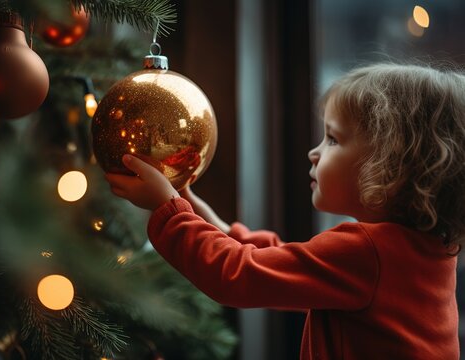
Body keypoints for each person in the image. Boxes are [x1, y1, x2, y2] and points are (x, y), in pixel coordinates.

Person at [105, 63, 465, 359]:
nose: (314, 152)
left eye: (334, 139)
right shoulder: (422, 250)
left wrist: (168, 210)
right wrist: (196, 211)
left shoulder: (369, 252)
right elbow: (284, 266)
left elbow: (238, 275)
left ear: (390, 166)